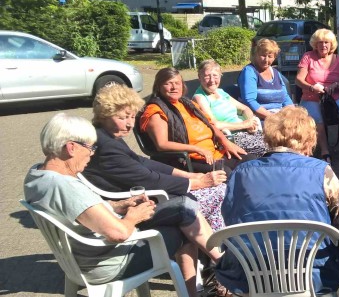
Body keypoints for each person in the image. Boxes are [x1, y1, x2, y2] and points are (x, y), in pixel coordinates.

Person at [25, 113, 223, 297]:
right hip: (107, 262)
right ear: (71, 148)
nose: (92, 154)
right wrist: (134, 216)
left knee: (182, 207)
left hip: (82, 256)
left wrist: (121, 205)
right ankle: (216, 274)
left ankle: (220, 266)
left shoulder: (37, 175)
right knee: (182, 224)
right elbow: (118, 233)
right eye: (90, 148)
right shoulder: (65, 186)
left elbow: (82, 211)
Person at [217, 106, 339, 294]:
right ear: (309, 141)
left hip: (248, 275)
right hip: (313, 274)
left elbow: (229, 217)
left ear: (268, 138)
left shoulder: (241, 173)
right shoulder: (321, 171)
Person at [83, 84, 229, 231]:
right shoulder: (107, 146)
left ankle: (210, 241)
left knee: (218, 187)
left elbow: (142, 161)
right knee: (218, 192)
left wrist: (189, 175)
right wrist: (198, 182)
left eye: (132, 116)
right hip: (134, 206)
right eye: (122, 117)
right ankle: (219, 242)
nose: (130, 124)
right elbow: (149, 179)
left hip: (139, 194)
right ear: (104, 115)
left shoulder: (107, 135)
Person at [139, 67, 255, 174]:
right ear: (159, 86)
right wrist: (196, 149)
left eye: (177, 83)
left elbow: (210, 125)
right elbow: (162, 145)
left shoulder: (188, 104)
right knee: (226, 173)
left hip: (214, 153)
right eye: (168, 83)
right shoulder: (156, 110)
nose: (174, 87)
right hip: (189, 159)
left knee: (251, 162)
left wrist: (225, 142)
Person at [295, 28, 339, 164]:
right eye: (320, 42)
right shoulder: (308, 56)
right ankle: (325, 152)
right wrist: (312, 87)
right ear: (315, 44)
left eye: (326, 42)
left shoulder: (338, 59)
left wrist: (336, 85)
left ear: (332, 44)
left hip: (334, 97)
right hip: (311, 97)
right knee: (317, 120)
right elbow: (298, 80)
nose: (323, 45)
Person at [193, 59, 267, 156]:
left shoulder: (221, 92)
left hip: (245, 131)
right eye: (207, 76)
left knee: (278, 141)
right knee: (268, 148)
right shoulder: (200, 97)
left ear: (220, 76)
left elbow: (245, 108)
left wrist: (251, 122)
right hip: (229, 138)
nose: (212, 80)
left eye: (215, 76)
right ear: (199, 77)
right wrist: (244, 125)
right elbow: (214, 124)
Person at [238, 38, 294, 120]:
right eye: (263, 55)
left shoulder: (275, 73)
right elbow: (249, 100)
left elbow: (285, 97)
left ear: (274, 57)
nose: (266, 60)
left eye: (270, 56)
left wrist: (293, 114)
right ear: (256, 55)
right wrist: (272, 117)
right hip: (261, 118)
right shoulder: (249, 71)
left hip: (280, 116)